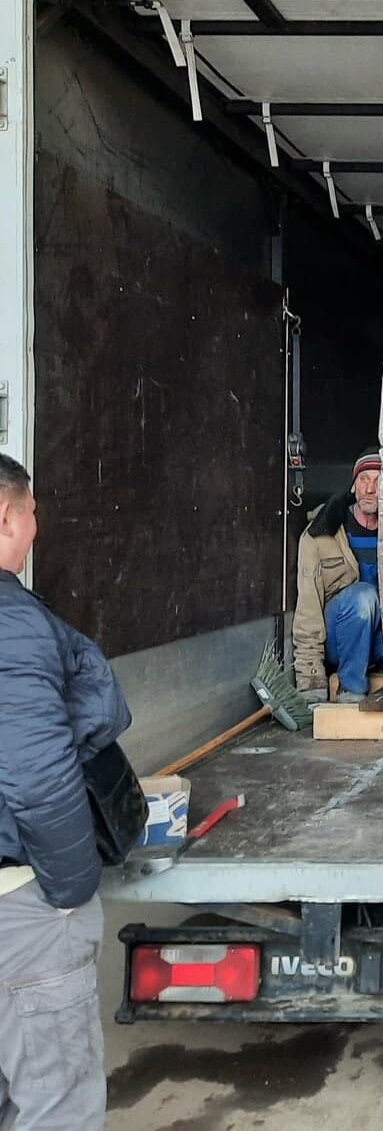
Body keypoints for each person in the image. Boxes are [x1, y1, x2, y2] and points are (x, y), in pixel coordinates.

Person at [0, 453, 131, 1131]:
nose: (36, 529)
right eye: (31, 514)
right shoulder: (12, 623)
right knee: (56, 1106)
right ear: (5, 516)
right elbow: (37, 777)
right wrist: (73, 889)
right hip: (21, 906)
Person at [294, 448, 383, 705]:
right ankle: (351, 691)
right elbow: (308, 610)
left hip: (382, 642)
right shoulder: (320, 535)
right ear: (354, 486)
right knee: (363, 597)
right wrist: (311, 679)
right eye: (364, 479)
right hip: (339, 641)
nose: (370, 489)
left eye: (379, 480)